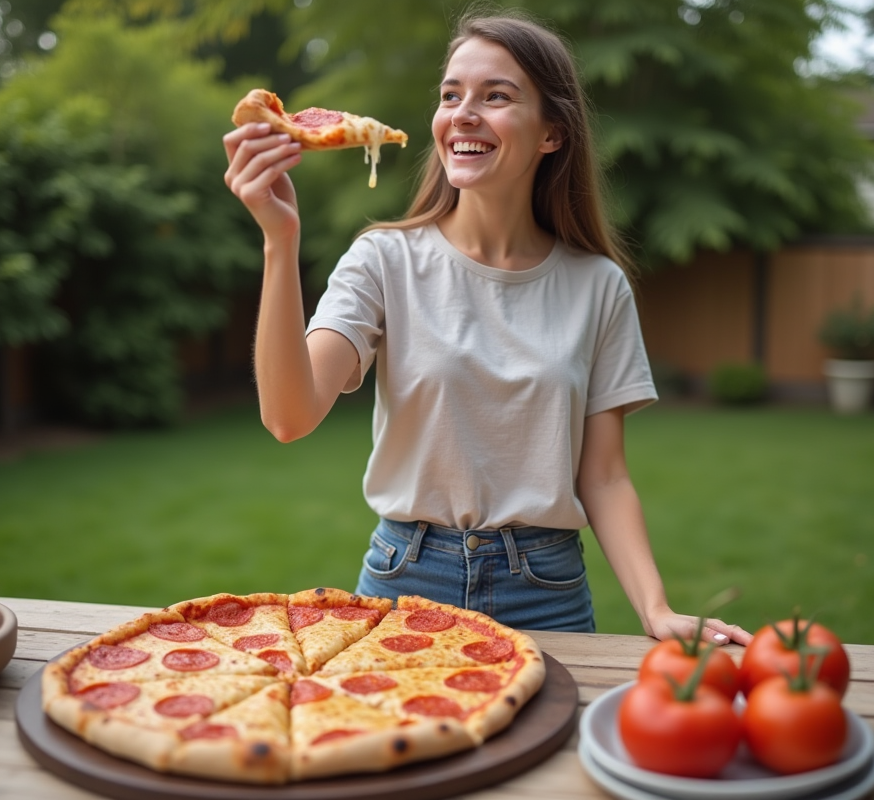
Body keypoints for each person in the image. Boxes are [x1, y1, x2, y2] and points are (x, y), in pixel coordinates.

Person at [223, 9, 751, 645]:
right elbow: (290, 416)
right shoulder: (384, 260)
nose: (463, 114)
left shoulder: (598, 285)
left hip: (547, 590)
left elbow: (605, 476)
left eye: (496, 96)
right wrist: (279, 241)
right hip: (404, 579)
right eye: (451, 96)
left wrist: (656, 610)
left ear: (551, 133)